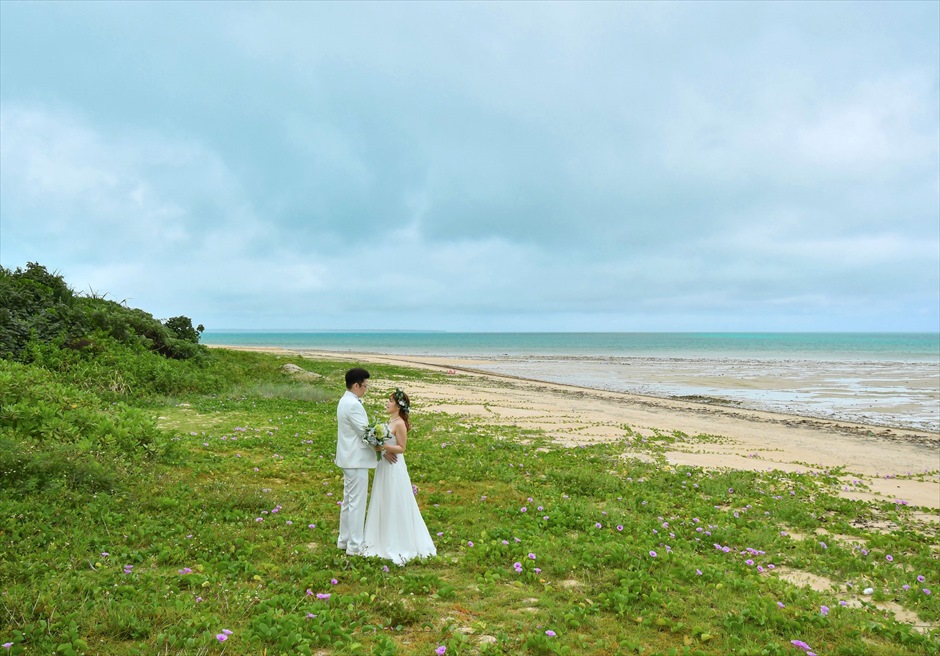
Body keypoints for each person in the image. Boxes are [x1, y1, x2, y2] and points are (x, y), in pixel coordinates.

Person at [361, 388, 437, 564]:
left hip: (394, 466)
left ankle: (396, 540)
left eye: (390, 401)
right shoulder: (392, 420)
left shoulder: (400, 423)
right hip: (384, 465)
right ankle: (379, 537)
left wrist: (383, 447)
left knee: (394, 498)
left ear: (398, 406)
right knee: (383, 498)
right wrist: (378, 445)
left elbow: (402, 448)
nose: (387, 403)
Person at [335, 367, 396, 556]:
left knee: (348, 501)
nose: (365, 389)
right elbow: (366, 434)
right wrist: (382, 450)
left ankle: (344, 540)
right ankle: (354, 545)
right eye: (364, 386)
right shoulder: (353, 405)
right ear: (356, 385)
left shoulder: (344, 400)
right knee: (356, 503)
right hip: (356, 459)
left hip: (348, 458)